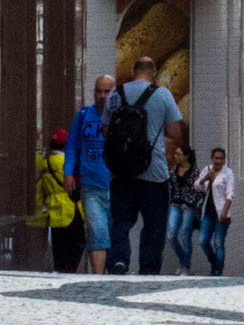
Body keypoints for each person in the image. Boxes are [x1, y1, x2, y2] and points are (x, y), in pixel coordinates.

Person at [104, 56, 185, 276]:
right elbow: (175, 132)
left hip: (120, 173)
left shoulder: (115, 94)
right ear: (155, 73)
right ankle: (148, 269)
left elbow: (106, 131)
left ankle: (119, 261)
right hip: (154, 173)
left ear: (133, 71)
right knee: (154, 226)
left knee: (120, 221)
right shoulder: (163, 94)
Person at [66, 73, 116, 275]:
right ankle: (98, 279)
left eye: (107, 91)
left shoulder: (121, 116)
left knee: (114, 233)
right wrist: (68, 173)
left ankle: (112, 275)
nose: (102, 95)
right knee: (97, 231)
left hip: (116, 184)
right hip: (91, 186)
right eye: (99, 91)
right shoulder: (83, 115)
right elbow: (72, 146)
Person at [30, 130, 85, 272]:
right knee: (75, 245)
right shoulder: (68, 163)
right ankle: (69, 272)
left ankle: (61, 272)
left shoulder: (45, 162)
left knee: (59, 249)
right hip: (71, 210)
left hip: (54, 213)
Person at [167, 144, 207, 274]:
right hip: (175, 205)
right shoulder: (173, 171)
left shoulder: (195, 172)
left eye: (178, 154)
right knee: (171, 235)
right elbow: (170, 187)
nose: (176, 156)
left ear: (186, 156)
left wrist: (190, 203)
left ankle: (186, 267)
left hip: (188, 207)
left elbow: (200, 191)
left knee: (186, 235)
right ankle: (184, 261)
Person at [197, 146, 234, 277]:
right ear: (212, 159)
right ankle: (214, 262)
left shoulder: (227, 173)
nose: (218, 161)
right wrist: (205, 178)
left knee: (218, 243)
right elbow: (197, 186)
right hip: (207, 211)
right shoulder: (207, 170)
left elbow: (230, 194)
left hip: (221, 213)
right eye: (216, 158)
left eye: (221, 158)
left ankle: (218, 271)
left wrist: (224, 212)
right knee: (203, 240)